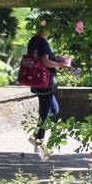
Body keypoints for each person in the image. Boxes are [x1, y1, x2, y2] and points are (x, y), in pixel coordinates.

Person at [20, 26, 72, 160]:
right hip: (44, 81)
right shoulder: (42, 42)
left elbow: (39, 58)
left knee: (53, 110)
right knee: (45, 111)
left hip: (37, 80)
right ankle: (38, 141)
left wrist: (57, 59)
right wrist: (62, 65)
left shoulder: (33, 40)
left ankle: (36, 137)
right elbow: (45, 62)